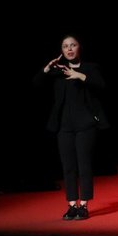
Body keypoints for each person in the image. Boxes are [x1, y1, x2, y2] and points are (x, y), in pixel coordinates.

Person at [34, 34, 109, 220]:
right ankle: (72, 205)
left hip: (86, 125)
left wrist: (80, 75)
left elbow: (102, 85)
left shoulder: (90, 68)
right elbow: (35, 83)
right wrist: (46, 68)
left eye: (73, 45)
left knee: (84, 166)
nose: (69, 49)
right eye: (65, 46)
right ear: (61, 50)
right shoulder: (58, 72)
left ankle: (84, 205)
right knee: (68, 167)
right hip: (64, 127)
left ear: (79, 48)